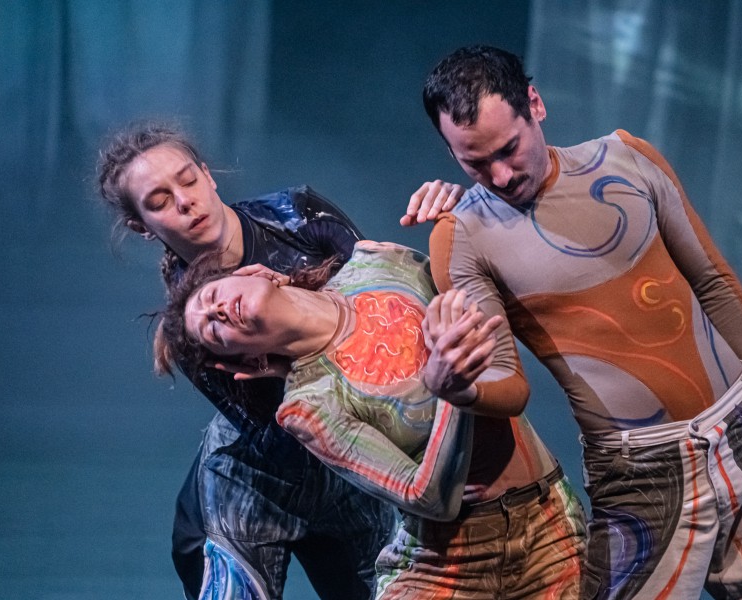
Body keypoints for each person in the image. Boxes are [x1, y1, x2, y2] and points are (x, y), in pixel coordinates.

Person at [411, 45, 742, 599]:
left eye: (508, 149)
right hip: (641, 476)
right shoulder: (461, 236)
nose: (501, 175)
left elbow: (715, 285)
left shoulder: (627, 158)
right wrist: (455, 387)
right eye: (476, 163)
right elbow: (510, 387)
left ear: (535, 104)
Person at [159, 240, 587, 599]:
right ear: (246, 360)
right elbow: (427, 498)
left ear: (257, 273)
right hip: (446, 561)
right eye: (213, 330)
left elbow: (482, 303)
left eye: (212, 298)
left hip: (548, 526)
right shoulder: (309, 406)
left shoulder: (381, 261)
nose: (219, 312)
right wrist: (451, 392)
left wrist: (453, 212)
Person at [97, 123, 403, 600]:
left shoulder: (297, 216)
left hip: (350, 454)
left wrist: (296, 300)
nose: (185, 202)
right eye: (159, 201)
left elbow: (387, 308)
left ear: (208, 175)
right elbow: (279, 426)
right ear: (141, 226)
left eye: (188, 180)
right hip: (260, 470)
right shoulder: (192, 323)